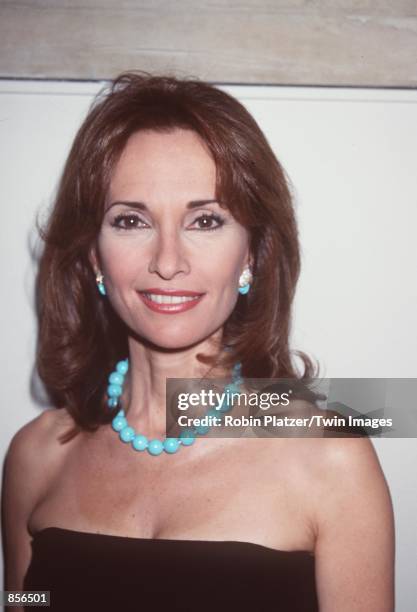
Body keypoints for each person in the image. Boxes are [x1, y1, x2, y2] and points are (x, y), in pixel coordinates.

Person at [2, 72, 394, 611]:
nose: (167, 262)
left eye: (205, 220)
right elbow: (31, 602)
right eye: (131, 220)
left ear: (252, 254)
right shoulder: (35, 457)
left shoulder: (329, 461)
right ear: (93, 255)